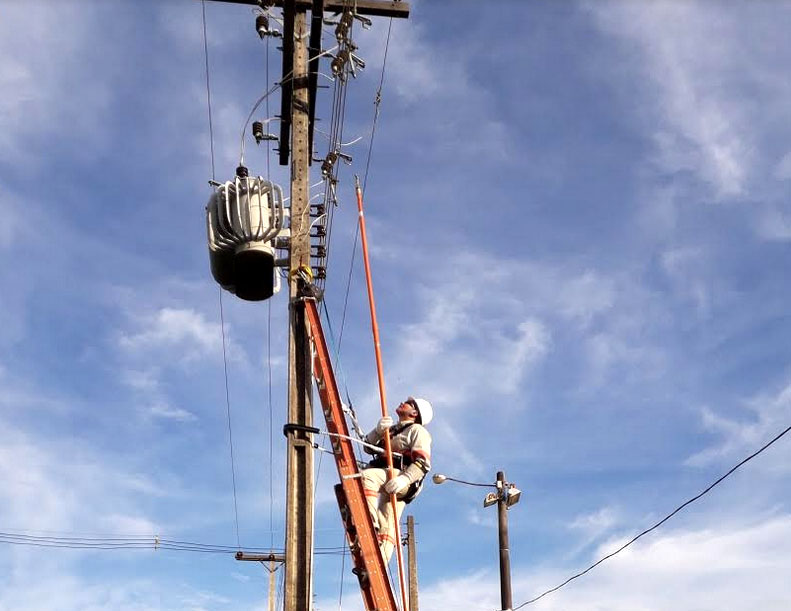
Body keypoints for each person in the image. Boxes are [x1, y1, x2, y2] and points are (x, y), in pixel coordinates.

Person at [361, 396, 433, 562]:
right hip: (388, 477)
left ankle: (368, 522)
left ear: (414, 412)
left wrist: (404, 479)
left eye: (408, 403)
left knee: (367, 477)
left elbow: (423, 464)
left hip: (403, 479)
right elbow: (367, 447)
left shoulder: (417, 431)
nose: (403, 402)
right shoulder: (391, 430)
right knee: (387, 523)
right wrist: (377, 431)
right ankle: (379, 563)